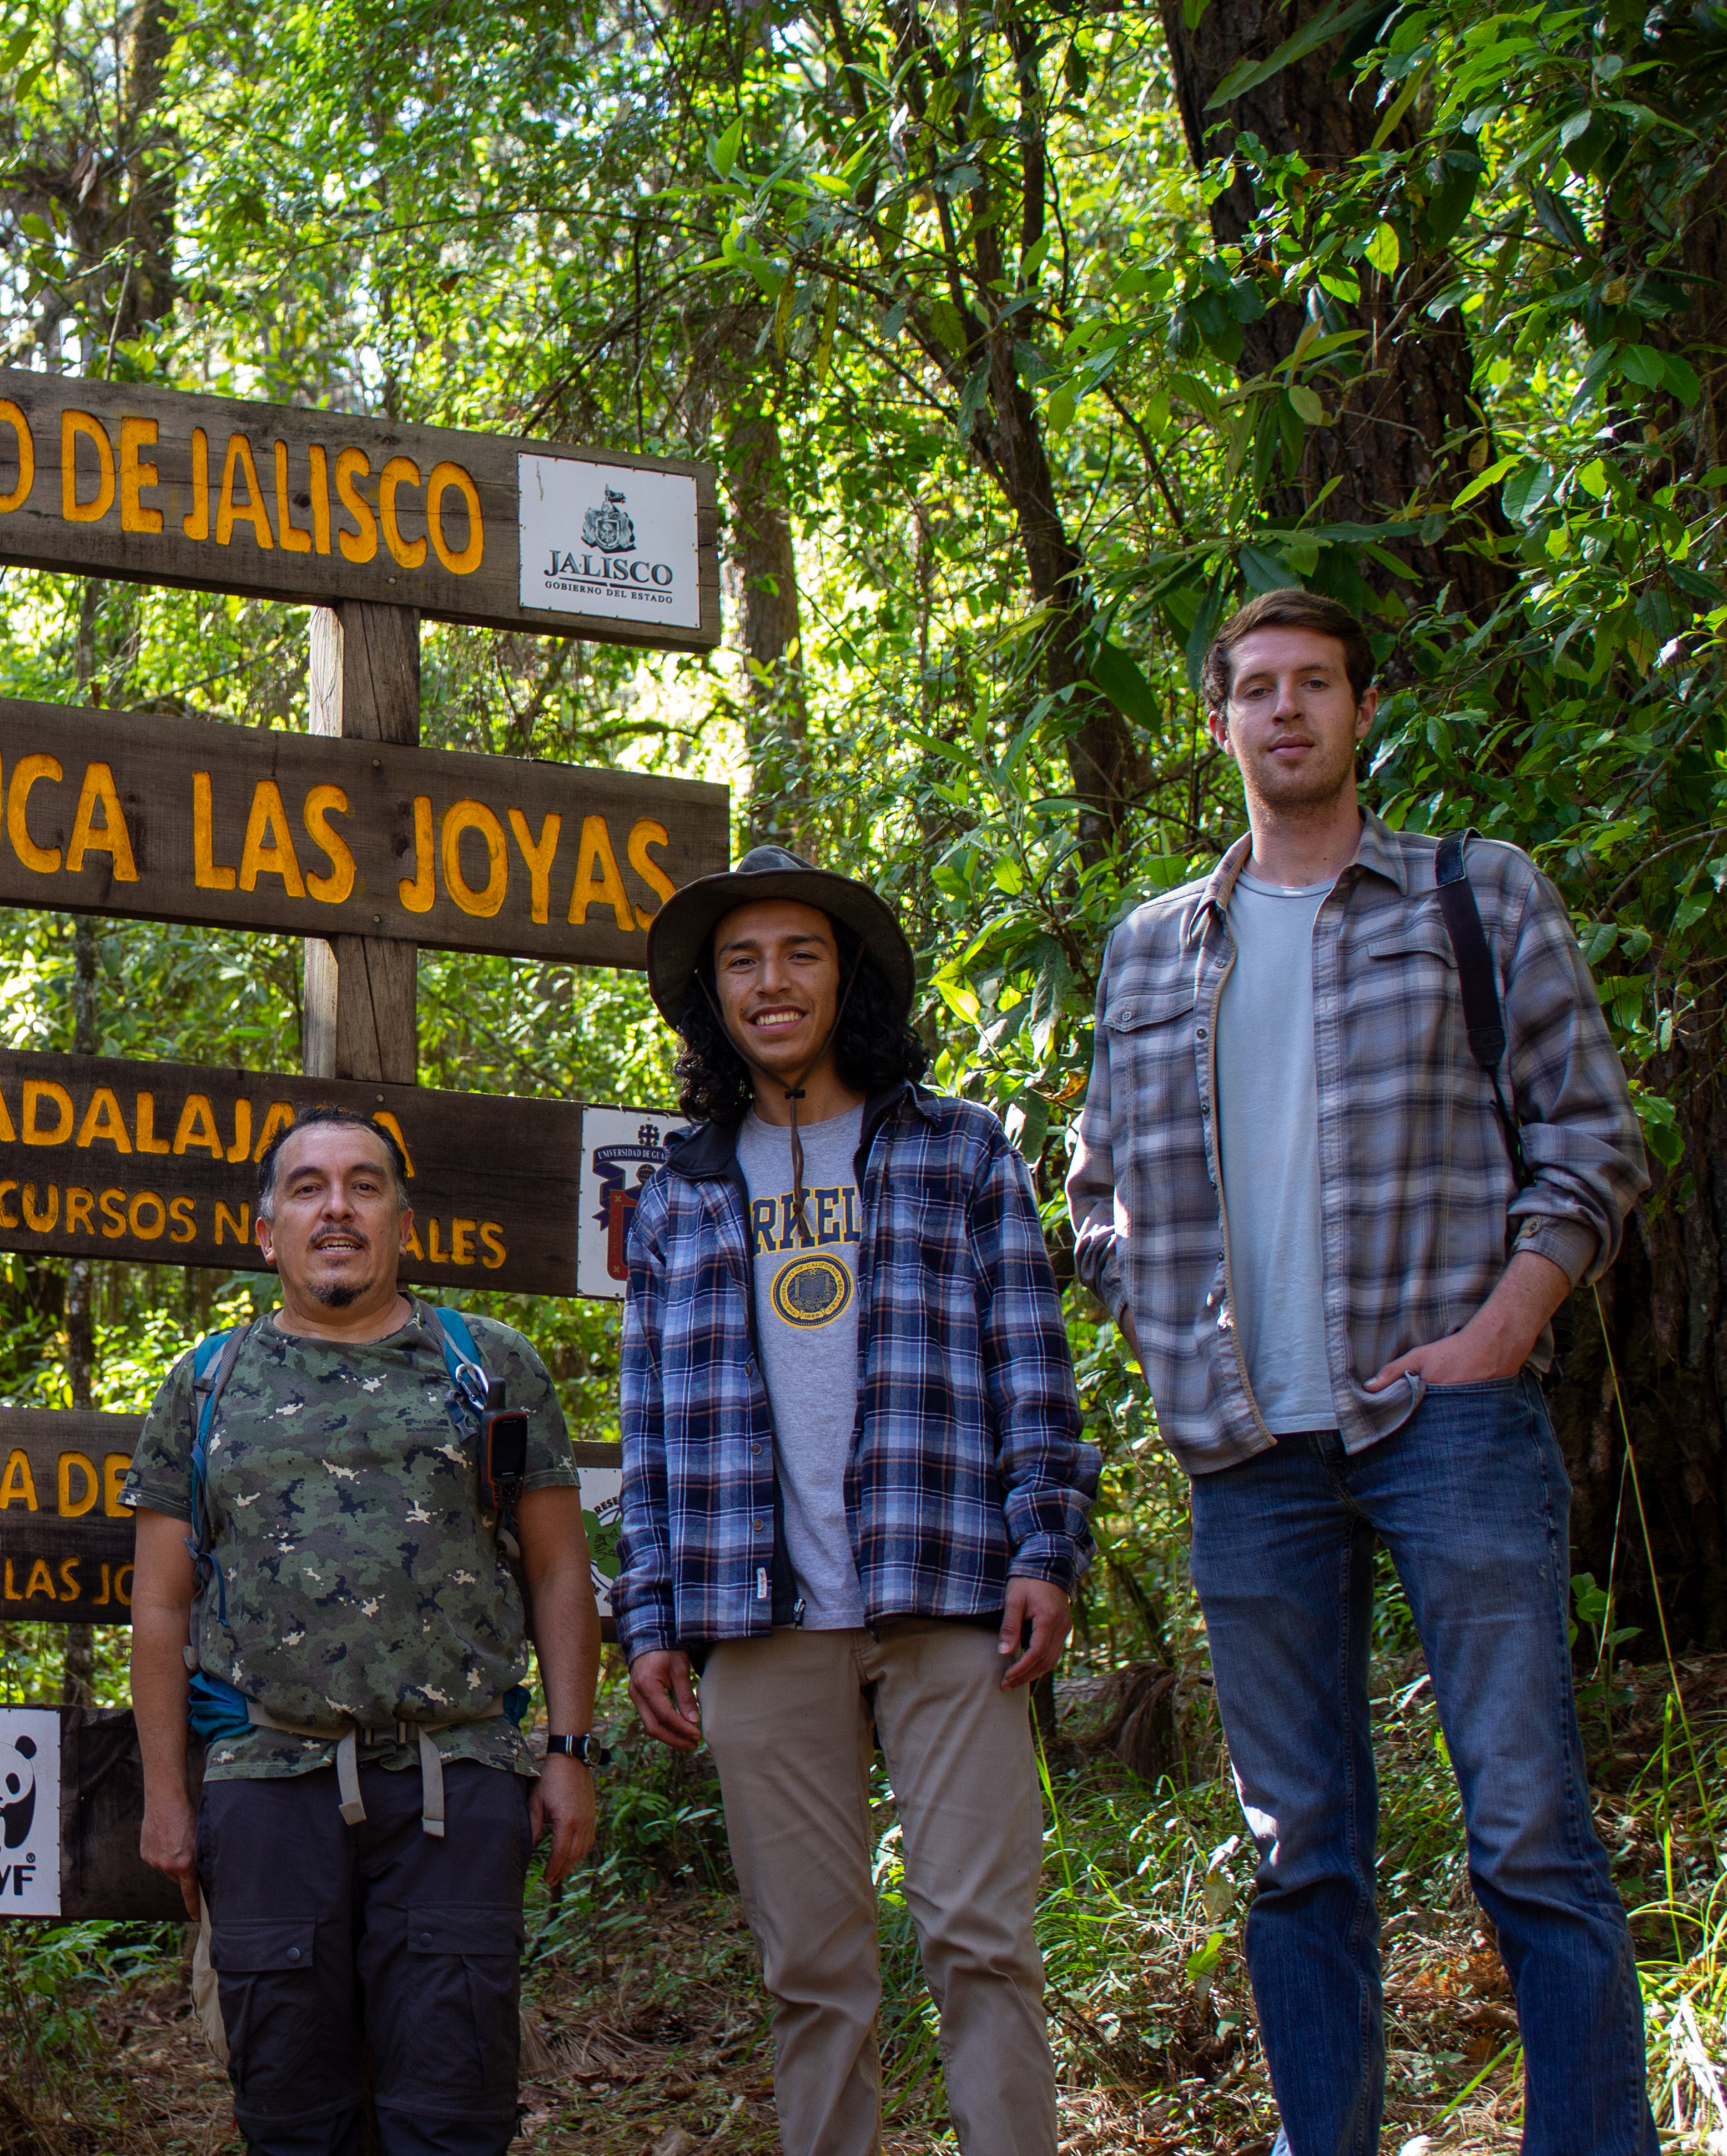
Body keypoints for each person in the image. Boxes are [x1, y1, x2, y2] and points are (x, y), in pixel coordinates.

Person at [1066, 586, 1655, 2156]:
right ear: (1217, 724)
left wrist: (1506, 1330)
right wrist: (1164, 1326)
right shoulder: (1148, 951)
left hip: (1444, 1418)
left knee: (1530, 1834)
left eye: (1313, 684)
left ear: (1361, 709)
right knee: (1299, 1850)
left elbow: (1592, 1137)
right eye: (1254, 690)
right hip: (1248, 1455)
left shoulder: (1476, 895)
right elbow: (1096, 1187)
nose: (1284, 713)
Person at [615, 845, 1096, 2156]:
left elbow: (1031, 1365)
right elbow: (648, 1429)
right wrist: (648, 1616)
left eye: (800, 954)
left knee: (980, 1939)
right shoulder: (677, 1195)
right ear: (712, 997)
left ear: (848, 979)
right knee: (810, 1970)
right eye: (742, 962)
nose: (771, 984)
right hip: (758, 1619)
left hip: (946, 1590)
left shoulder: (959, 1150)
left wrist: (1048, 1543)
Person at [128, 1105, 600, 2156]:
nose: (335, 1208)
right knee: (293, 2116)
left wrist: (569, 1754)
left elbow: (562, 1569)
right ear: (267, 1232)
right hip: (265, 1788)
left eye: (363, 1185)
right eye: (307, 1188)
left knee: (452, 2113)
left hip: (459, 1781)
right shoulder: (205, 1384)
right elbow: (159, 1605)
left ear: (402, 1220)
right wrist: (168, 1799)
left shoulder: (490, 1367)